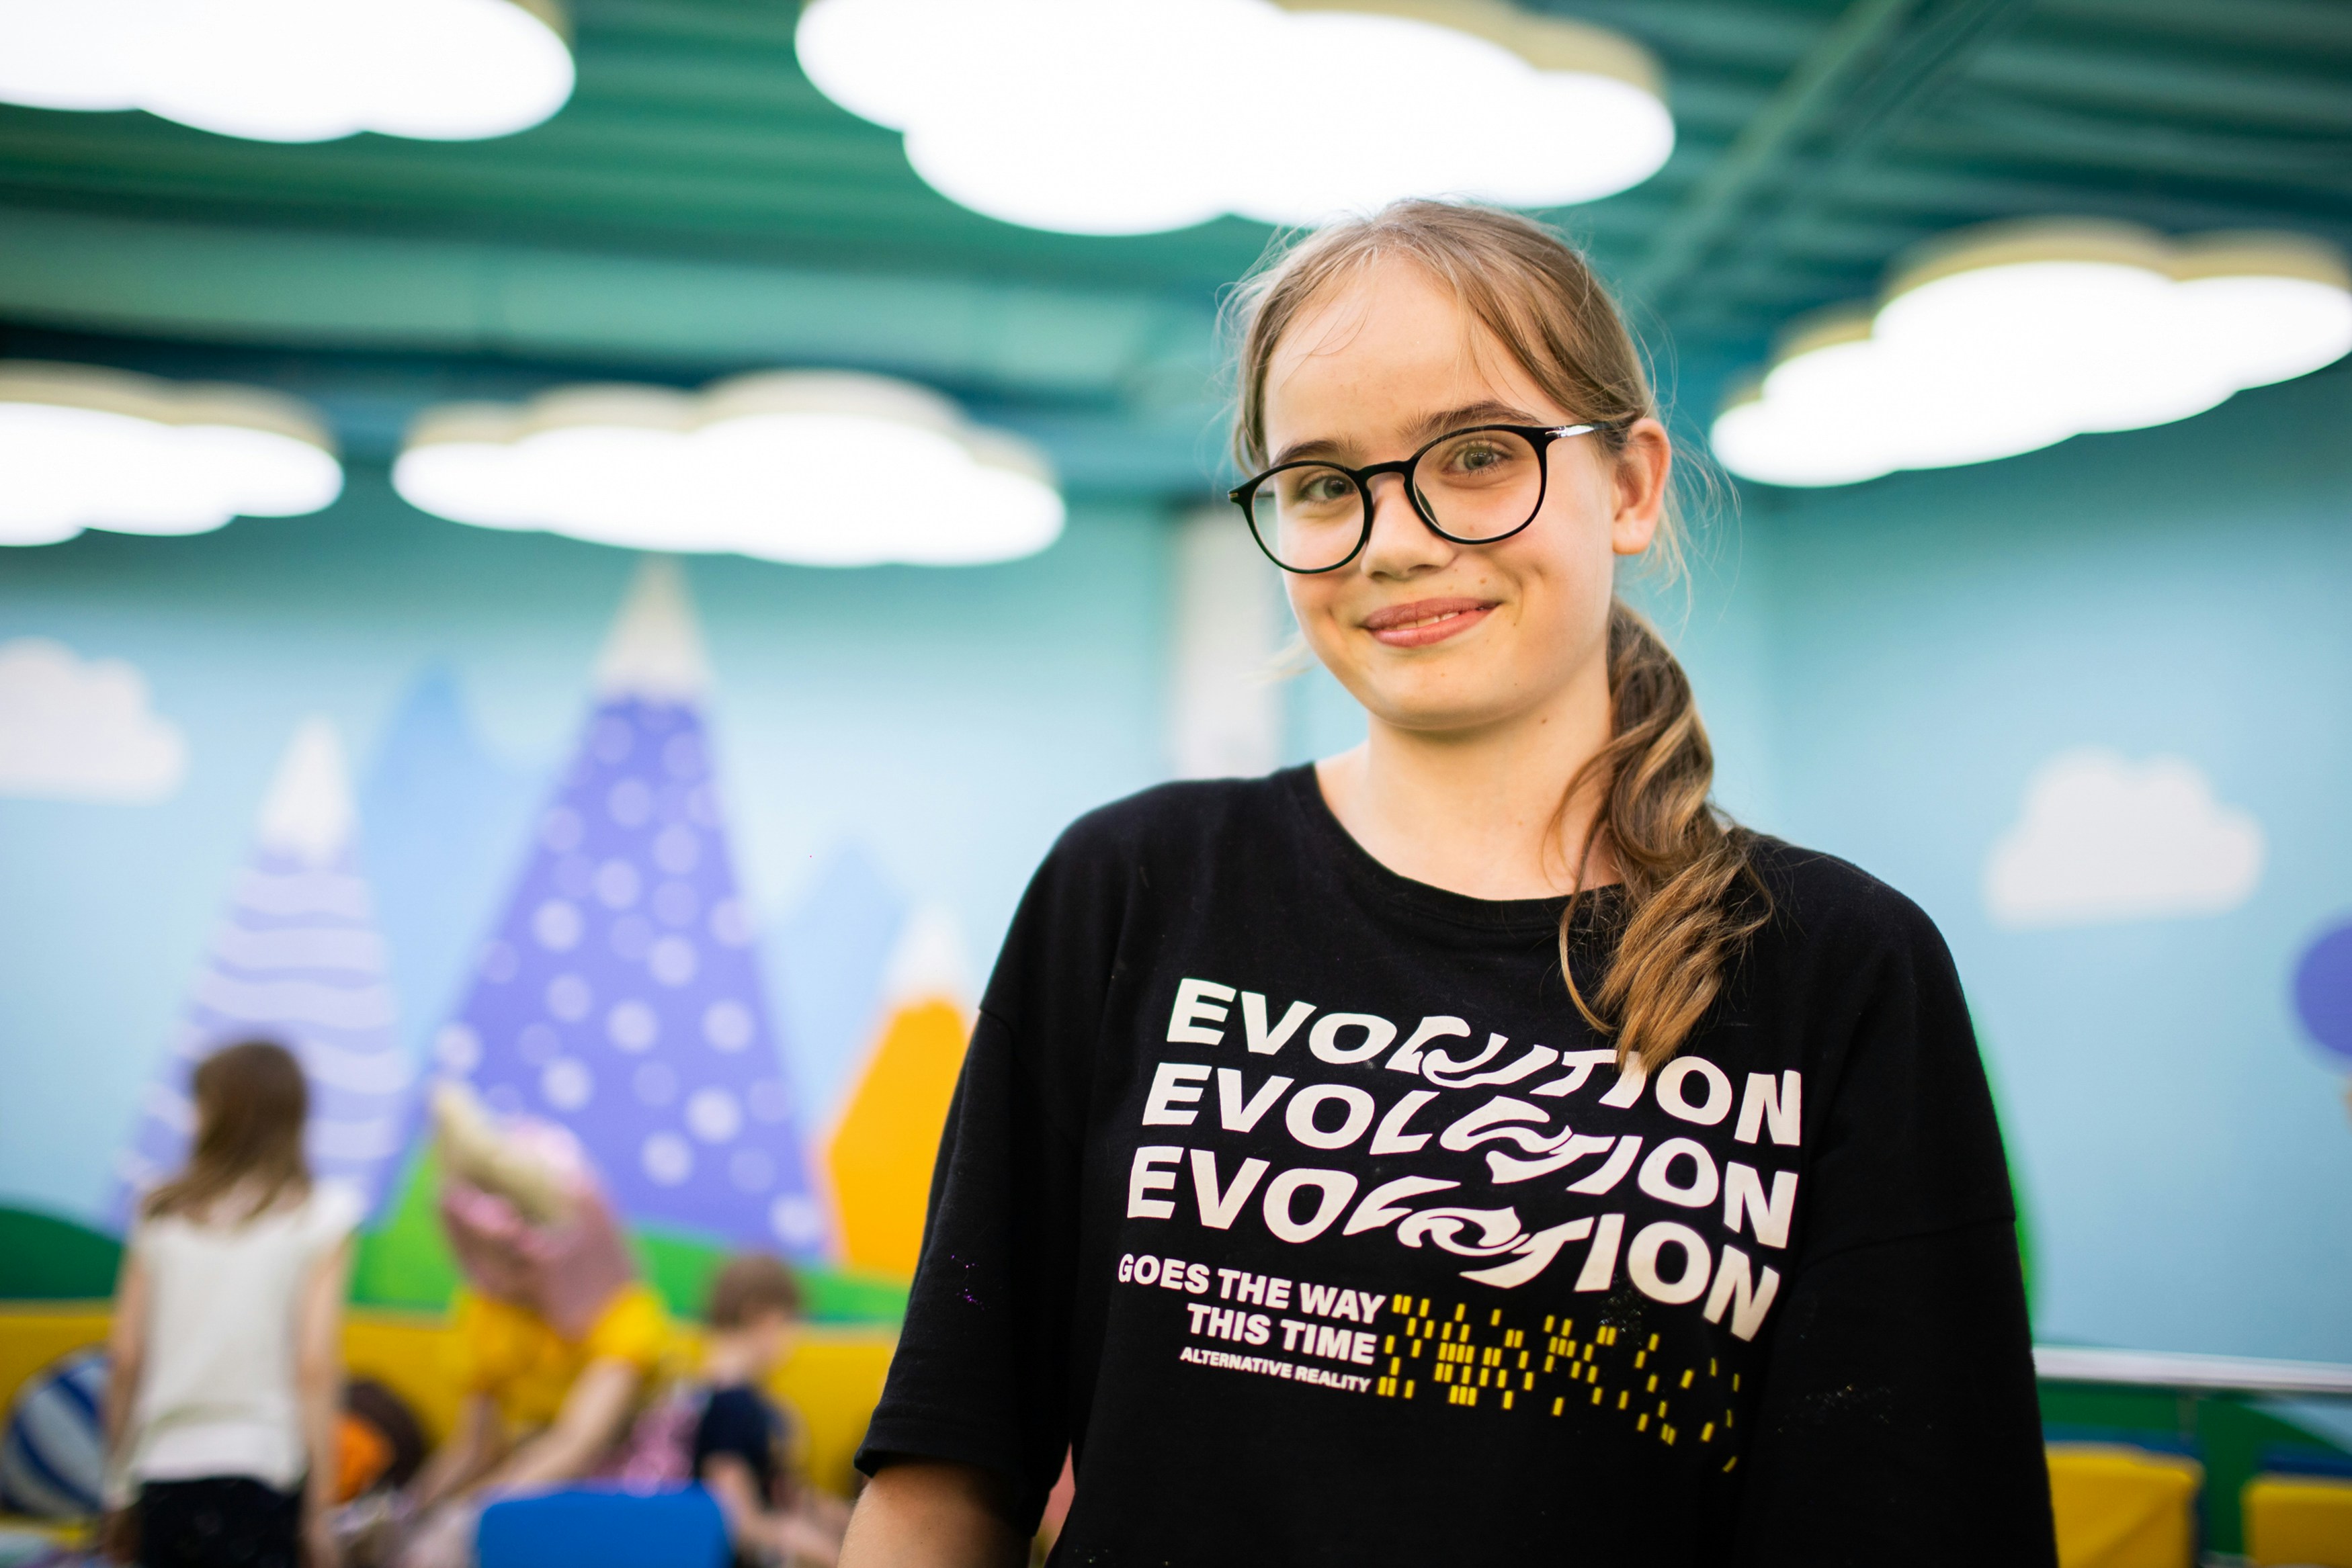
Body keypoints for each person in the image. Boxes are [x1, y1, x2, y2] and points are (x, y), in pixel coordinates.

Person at [838, 201, 2056, 1567]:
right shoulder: (1131, 890)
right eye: (1319, 482)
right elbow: (945, 1480)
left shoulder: (1836, 967)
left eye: (1476, 458)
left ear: (1632, 485)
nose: (1391, 538)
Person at [392, 1084, 677, 1568]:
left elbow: (579, 1442)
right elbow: (476, 1446)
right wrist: (408, 1515)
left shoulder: (621, 1318)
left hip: (623, 1494)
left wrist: (470, 1517)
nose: (489, 1277)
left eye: (504, 1260)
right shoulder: (488, 1315)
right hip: (527, 1488)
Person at [103, 1039, 356, 1568]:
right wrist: (318, 1514)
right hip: (263, 1470)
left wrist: (117, 1491)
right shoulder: (320, 1215)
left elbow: (126, 1359)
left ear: (220, 1114)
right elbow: (313, 1365)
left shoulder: (161, 1213)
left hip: (163, 1472)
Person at [691, 1254, 847, 1567]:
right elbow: (738, 1521)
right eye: (788, 1323)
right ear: (758, 1313)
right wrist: (811, 1545)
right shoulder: (730, 1401)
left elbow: (784, 1492)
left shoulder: (717, 1394)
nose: (793, 1339)